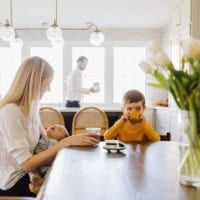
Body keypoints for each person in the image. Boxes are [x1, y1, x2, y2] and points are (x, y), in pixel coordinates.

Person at [0, 56, 99, 197]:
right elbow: (27, 164)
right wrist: (67, 142)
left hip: (31, 174)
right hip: (14, 181)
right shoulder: (10, 111)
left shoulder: (32, 105)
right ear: (36, 82)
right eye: (48, 83)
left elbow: (45, 138)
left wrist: (68, 142)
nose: (49, 88)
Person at [29, 124, 69, 194]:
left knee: (50, 174)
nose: (55, 126)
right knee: (31, 170)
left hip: (47, 165)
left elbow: (55, 154)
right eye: (55, 125)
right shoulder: (42, 137)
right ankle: (36, 183)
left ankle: (43, 185)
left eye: (59, 129)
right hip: (36, 162)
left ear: (62, 139)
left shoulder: (55, 143)